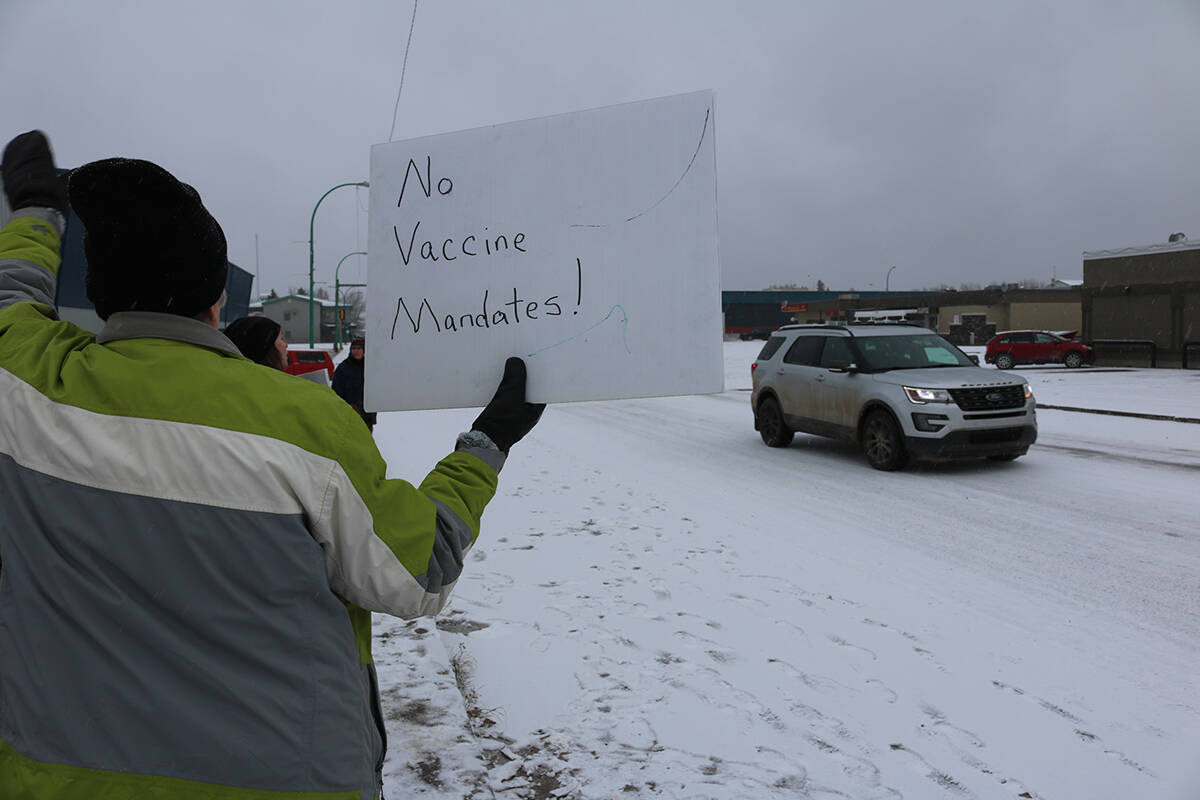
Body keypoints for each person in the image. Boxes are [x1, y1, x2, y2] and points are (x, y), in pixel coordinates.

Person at [0, 130, 544, 799]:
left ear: (106, 291)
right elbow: (419, 573)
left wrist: (32, 210)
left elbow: (12, 293)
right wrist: (488, 442)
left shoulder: (22, 384)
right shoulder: (303, 421)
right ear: (215, 299)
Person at [332, 335, 377, 432]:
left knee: (366, 442)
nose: (356, 351)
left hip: (367, 414)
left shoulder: (370, 366)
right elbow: (336, 391)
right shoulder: (343, 368)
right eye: (353, 348)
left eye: (359, 348)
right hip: (349, 414)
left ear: (364, 350)